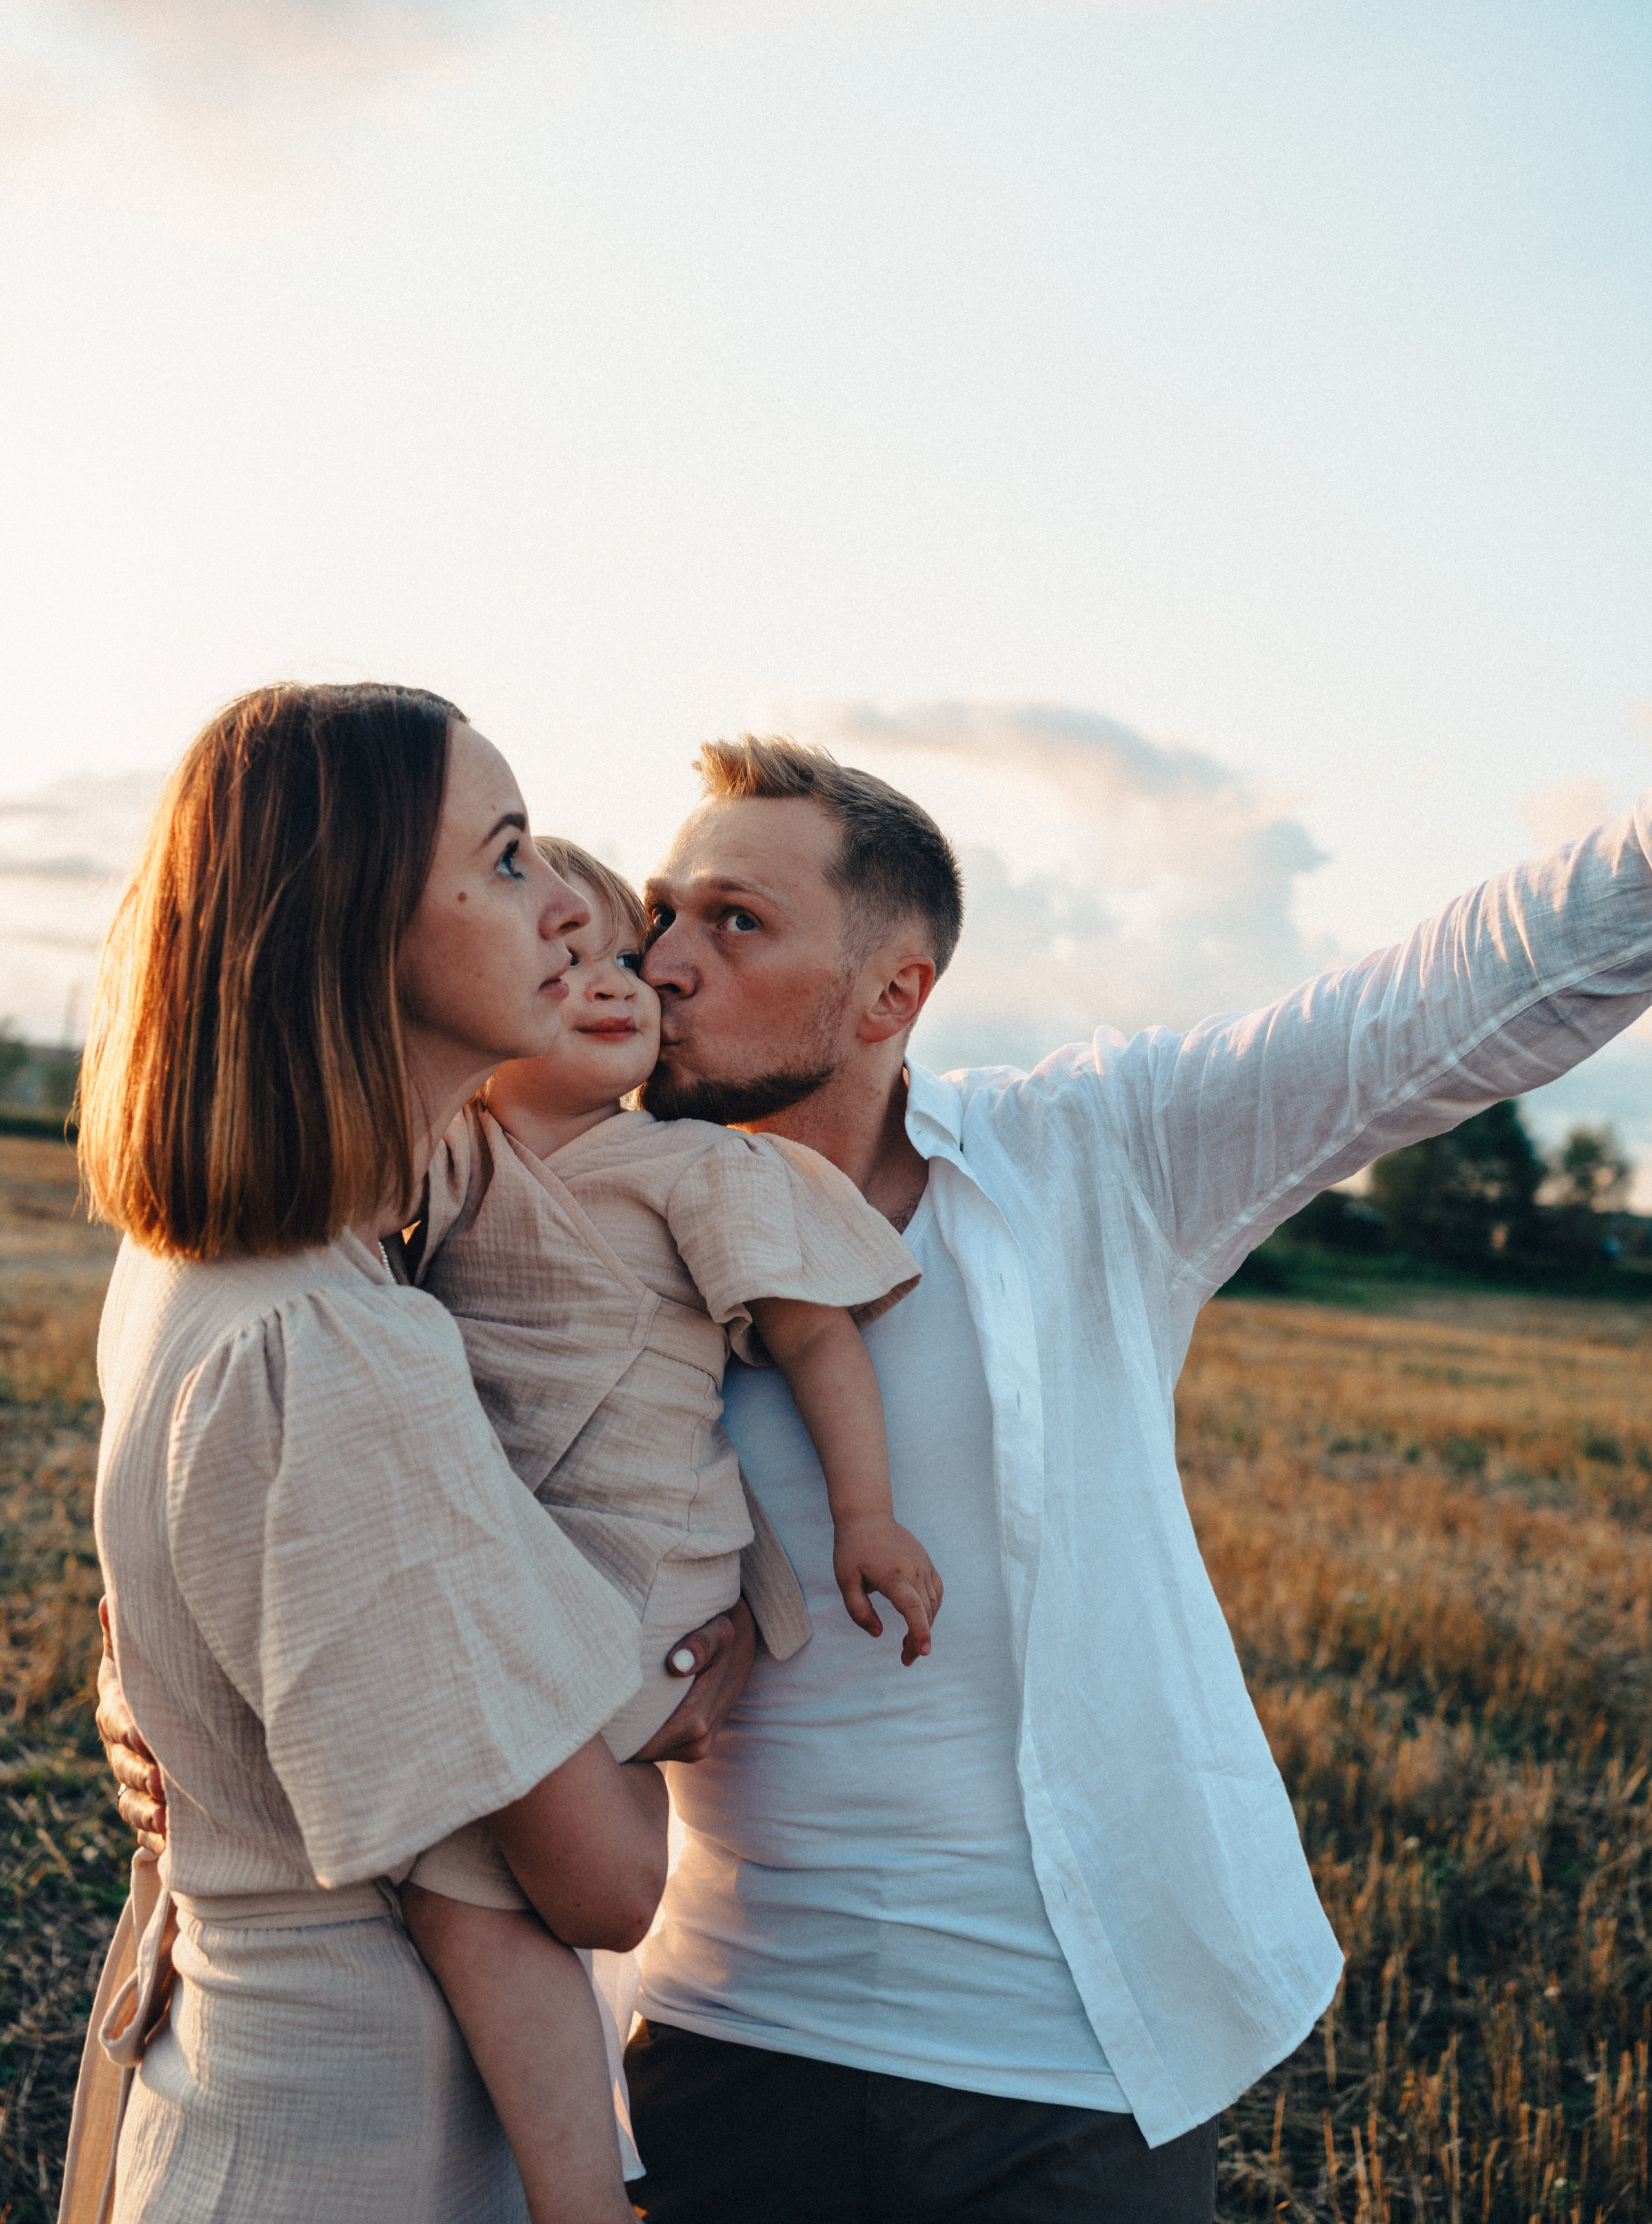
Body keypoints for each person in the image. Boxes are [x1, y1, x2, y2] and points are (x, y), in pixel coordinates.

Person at [104, 731, 1652, 2224]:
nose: (659, 959)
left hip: (1066, 2070)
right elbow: (296, 1440)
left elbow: (1441, 1004)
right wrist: (163, 1679)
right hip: (713, 2037)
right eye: (660, 917)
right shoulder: (540, 1200)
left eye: (736, 922)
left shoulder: (1091, 1158)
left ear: (890, 992)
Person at [66, 684, 675, 2224]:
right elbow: (602, 1885)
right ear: (350, 931)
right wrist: (695, 1695)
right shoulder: (332, 1352)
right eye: (511, 857)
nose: (572, 911)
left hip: (243, 2103)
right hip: (358, 2151)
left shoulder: (208, 1266)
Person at [398, 838, 942, 2219]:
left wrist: (864, 1518)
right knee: (477, 1860)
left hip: (643, 1550)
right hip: (517, 1547)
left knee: (477, 1882)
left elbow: (818, 1345)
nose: (617, 980)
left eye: (626, 961)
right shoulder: (446, 1149)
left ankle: (584, 2194)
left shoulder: (693, 1169)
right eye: (570, 959)